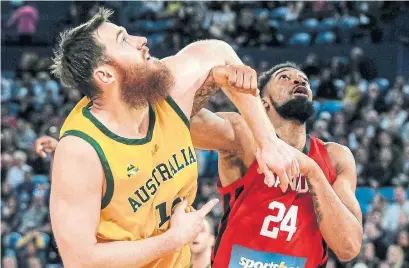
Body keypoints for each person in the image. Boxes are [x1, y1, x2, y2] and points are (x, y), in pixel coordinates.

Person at [47, 8, 299, 268]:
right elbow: (80, 260)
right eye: (124, 40)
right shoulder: (81, 150)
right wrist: (173, 240)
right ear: (105, 75)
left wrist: (267, 142)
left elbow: (217, 51)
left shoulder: (166, 87)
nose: (140, 39)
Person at [190, 62, 363, 267]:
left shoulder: (335, 157)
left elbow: (348, 247)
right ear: (263, 103)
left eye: (304, 80)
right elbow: (177, 123)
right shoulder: (243, 137)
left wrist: (313, 172)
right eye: (284, 77)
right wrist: (209, 82)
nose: (298, 80)